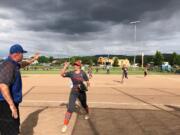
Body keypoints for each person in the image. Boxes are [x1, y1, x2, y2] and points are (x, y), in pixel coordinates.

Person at [0, 44, 40, 135]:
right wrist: (11, 106)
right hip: (5, 104)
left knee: (13, 128)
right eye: (22, 53)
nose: (23, 55)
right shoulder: (8, 65)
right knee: (9, 131)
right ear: (17, 54)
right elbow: (3, 86)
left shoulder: (14, 64)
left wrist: (34, 59)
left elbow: (23, 64)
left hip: (9, 102)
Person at [60, 60, 90, 133]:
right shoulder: (71, 73)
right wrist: (65, 66)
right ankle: (65, 125)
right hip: (73, 92)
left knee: (84, 105)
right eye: (74, 65)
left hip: (81, 92)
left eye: (77, 65)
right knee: (70, 108)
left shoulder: (83, 73)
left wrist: (85, 84)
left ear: (80, 66)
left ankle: (87, 113)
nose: (75, 66)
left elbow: (88, 82)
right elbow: (62, 74)